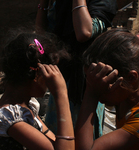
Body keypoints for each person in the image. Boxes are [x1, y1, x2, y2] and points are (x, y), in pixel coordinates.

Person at [75, 28, 139, 150]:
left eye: (104, 88)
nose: (100, 97)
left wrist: (91, 93)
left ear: (131, 78)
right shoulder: (127, 95)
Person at [35, 0, 118, 137]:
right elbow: (42, 34)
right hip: (61, 79)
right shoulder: (62, 4)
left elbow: (84, 32)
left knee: (83, 137)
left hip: (86, 84)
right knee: (59, 135)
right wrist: (43, 4)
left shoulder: (101, 3)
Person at [0, 30, 75, 150]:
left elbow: (56, 143)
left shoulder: (27, 107)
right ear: (37, 75)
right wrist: (61, 95)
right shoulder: (9, 118)